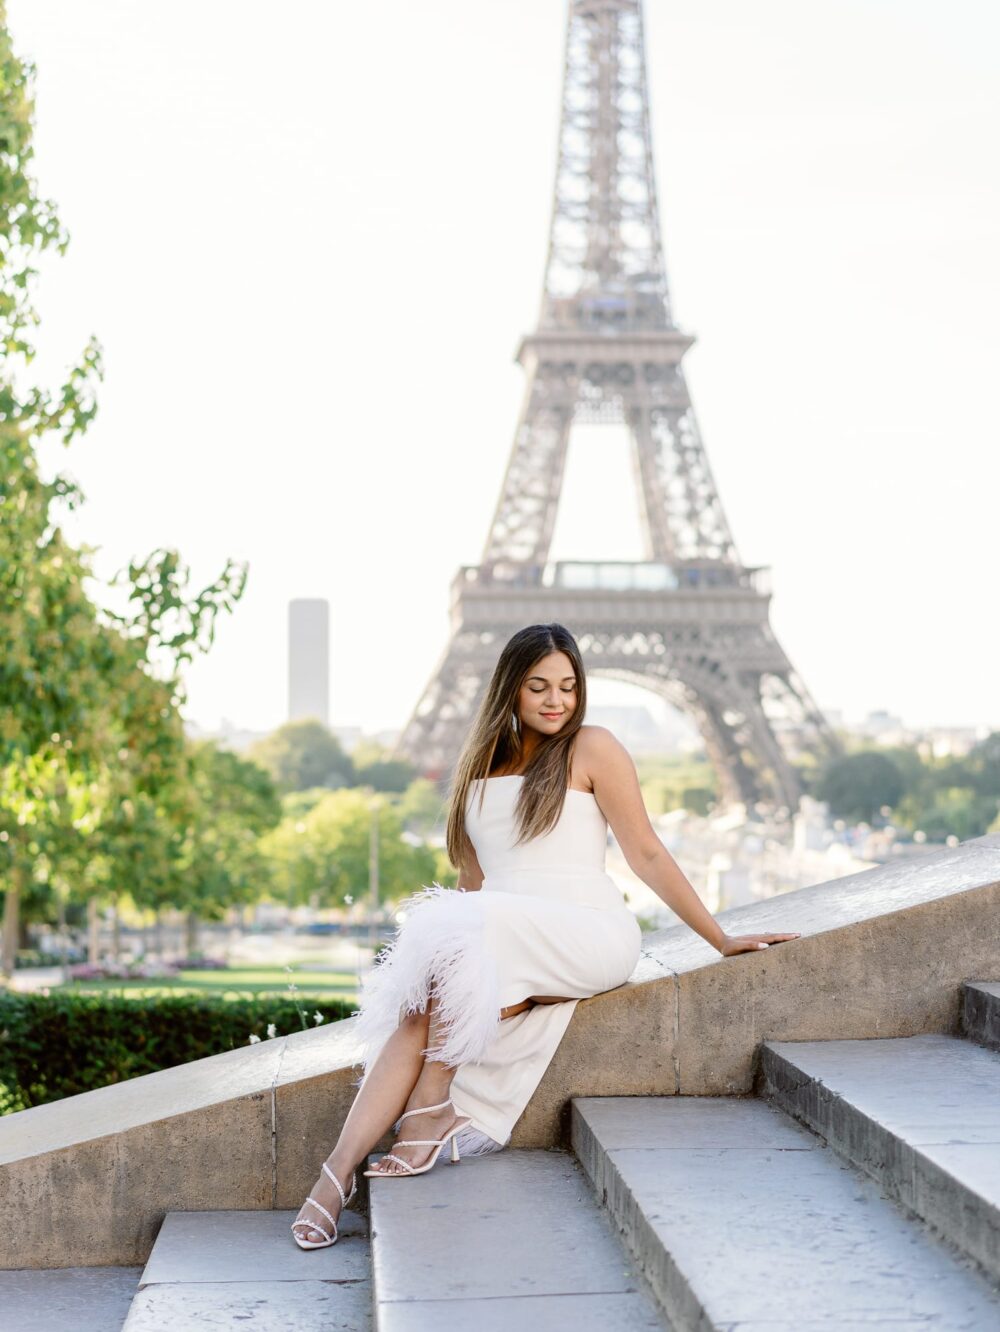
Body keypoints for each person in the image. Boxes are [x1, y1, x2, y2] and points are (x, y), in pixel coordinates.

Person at [291, 622, 800, 1248]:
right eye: (539, 687)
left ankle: (431, 1102)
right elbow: (471, 884)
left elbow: (645, 853)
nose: (556, 700)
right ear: (511, 689)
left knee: (462, 931)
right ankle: (335, 1177)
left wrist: (718, 939)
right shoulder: (479, 766)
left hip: (588, 933)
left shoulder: (594, 747)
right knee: (419, 1014)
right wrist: (449, 981)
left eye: (567, 686)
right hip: (504, 936)